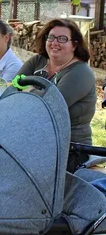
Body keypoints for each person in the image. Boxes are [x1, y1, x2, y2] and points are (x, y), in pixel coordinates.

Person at [16, 18, 96, 172]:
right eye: (51, 37)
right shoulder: (37, 61)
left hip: (70, 150)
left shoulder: (81, 72)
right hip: (35, 142)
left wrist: (25, 91)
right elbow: (12, 89)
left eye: (62, 39)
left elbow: (48, 106)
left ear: (74, 44)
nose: (54, 43)